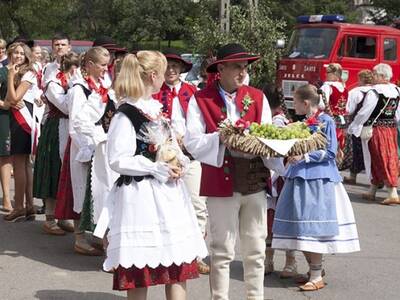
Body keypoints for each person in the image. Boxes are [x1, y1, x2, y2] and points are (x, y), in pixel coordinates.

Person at [93, 51, 207, 300]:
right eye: (164, 71)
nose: (166, 77)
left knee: (178, 266)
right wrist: (154, 167)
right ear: (154, 75)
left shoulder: (156, 109)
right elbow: (118, 159)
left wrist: (181, 162)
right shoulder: (126, 114)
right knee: (139, 270)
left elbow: (171, 146)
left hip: (169, 196)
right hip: (141, 196)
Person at [184, 43, 279, 300]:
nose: (242, 71)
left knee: (256, 249)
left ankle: (254, 298)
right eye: (236, 66)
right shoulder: (201, 98)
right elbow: (191, 141)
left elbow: (268, 139)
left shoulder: (257, 97)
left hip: (254, 180)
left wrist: (285, 154)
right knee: (222, 250)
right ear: (221, 68)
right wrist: (222, 138)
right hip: (220, 181)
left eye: (244, 66)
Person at [272, 84, 360, 291]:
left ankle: (316, 274)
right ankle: (314, 270)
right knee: (300, 227)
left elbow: (330, 152)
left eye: (295, 102)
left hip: (317, 179)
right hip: (299, 176)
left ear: (306, 103)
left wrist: (304, 156)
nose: (293, 106)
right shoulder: (302, 122)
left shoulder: (325, 120)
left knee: (312, 228)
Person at [55, 46, 117, 255]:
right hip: (83, 146)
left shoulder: (103, 85)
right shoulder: (77, 89)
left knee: (100, 192)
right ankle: (80, 238)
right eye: (101, 65)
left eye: (107, 65)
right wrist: (88, 148)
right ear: (89, 64)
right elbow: (75, 124)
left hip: (101, 145)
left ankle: (98, 235)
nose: (105, 69)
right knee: (79, 191)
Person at [153, 48, 210, 274]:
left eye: (176, 66)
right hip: (164, 157)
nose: (172, 70)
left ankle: (197, 254)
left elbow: (202, 122)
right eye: (168, 66)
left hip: (191, 155)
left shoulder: (193, 92)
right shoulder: (154, 93)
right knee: (164, 205)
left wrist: (190, 141)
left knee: (197, 204)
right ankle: (165, 252)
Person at [33, 52, 79, 235]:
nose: (75, 73)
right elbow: (66, 107)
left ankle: (63, 216)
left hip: (72, 128)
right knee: (52, 170)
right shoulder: (53, 84)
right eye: (72, 69)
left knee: (66, 171)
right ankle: (50, 217)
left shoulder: (76, 84)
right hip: (56, 128)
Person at [348, 63, 400, 205]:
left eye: (375, 74)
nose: (373, 76)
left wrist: (355, 125)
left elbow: (365, 112)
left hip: (376, 130)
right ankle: (373, 189)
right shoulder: (397, 90)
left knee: (381, 158)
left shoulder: (374, 92)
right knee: (383, 157)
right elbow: (398, 114)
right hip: (391, 129)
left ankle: (392, 192)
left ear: (382, 76)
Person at [262, 84, 297, 278]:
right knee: (269, 221)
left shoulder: (278, 122)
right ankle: (269, 260)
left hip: (279, 176)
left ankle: (289, 261)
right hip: (272, 177)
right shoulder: (275, 119)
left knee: (280, 221)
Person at [3, 42, 40, 222]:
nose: (17, 56)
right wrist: (11, 99)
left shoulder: (28, 73)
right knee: (24, 164)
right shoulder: (19, 72)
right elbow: (10, 101)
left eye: (20, 53)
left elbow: (14, 97)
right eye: (14, 53)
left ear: (26, 56)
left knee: (20, 163)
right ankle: (29, 206)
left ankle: (19, 207)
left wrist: (10, 76)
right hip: (17, 119)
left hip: (23, 122)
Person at [343, 70, 373, 184]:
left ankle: (353, 176)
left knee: (356, 150)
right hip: (373, 125)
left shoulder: (355, 92)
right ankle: (374, 179)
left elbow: (349, 109)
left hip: (357, 124)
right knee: (371, 152)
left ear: (360, 79)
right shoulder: (375, 91)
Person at [319, 63, 349, 159]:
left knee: (327, 143)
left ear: (334, 74)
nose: (325, 74)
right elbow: (347, 107)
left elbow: (322, 104)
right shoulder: (344, 88)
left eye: (328, 72)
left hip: (330, 118)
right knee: (338, 143)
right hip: (342, 120)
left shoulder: (327, 87)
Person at [0, 40, 12, 212]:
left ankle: (7, 198)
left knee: (4, 155)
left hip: (4, 116)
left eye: (2, 48)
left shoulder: (9, 67)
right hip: (3, 108)